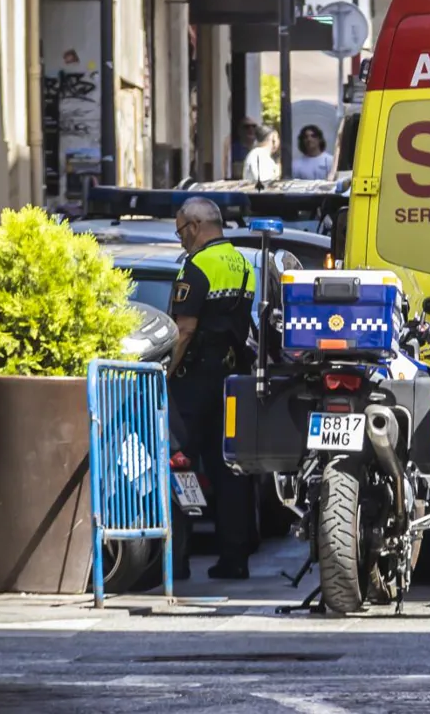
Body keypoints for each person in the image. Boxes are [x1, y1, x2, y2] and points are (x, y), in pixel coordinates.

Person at [168, 197, 257, 579]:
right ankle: (234, 558)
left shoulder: (198, 266)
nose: (181, 239)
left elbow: (184, 329)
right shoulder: (242, 264)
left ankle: (178, 558)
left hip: (194, 381)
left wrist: (168, 372)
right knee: (230, 470)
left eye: (180, 231)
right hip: (232, 380)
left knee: (180, 462)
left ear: (195, 225)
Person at [224, 116, 259, 180]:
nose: (251, 129)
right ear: (239, 130)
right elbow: (234, 171)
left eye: (254, 126)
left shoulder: (261, 148)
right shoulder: (233, 150)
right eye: (246, 127)